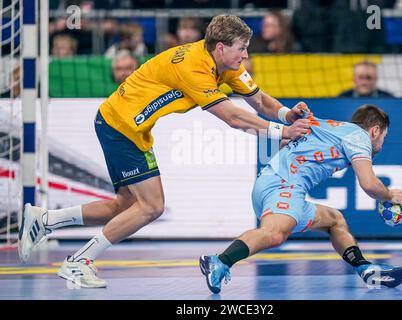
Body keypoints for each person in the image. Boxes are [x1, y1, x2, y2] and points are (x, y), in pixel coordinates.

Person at [18, 15, 311, 288]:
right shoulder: (193, 68)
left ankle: (44, 221)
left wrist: (287, 114)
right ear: (221, 48)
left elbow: (259, 100)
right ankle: (79, 261)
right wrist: (283, 133)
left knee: (125, 204)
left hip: (126, 125)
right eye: (242, 49)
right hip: (121, 126)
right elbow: (233, 118)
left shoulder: (226, 64)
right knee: (151, 206)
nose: (245, 55)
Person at [199, 104, 402, 293]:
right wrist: (389, 195)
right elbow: (369, 185)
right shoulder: (359, 137)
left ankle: (365, 269)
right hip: (284, 186)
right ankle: (219, 261)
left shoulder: (326, 126)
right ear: (375, 130)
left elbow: (285, 144)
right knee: (275, 234)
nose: (381, 144)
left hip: (272, 183)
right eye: (384, 137)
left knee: (335, 220)